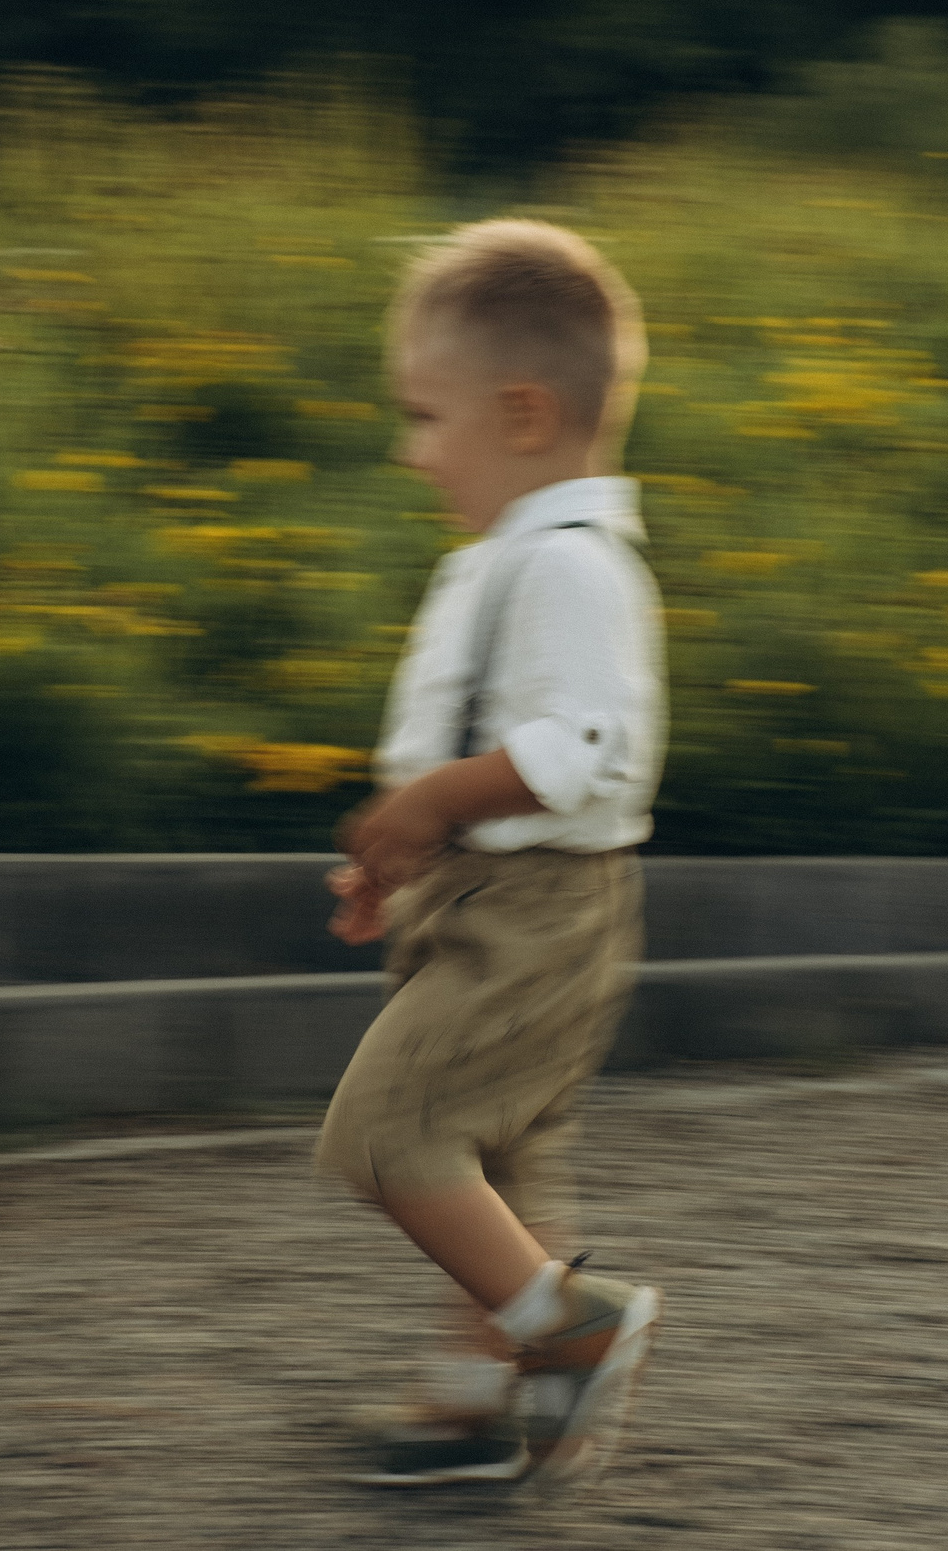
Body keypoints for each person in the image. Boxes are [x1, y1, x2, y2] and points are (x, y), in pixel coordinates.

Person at [318, 219, 667, 1488]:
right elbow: (464, 741)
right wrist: (401, 858)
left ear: (522, 414)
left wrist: (431, 807)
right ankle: (465, 1407)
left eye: (423, 416)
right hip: (491, 898)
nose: (409, 450)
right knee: (503, 1178)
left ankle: (570, 1331)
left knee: (386, 1137)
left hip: (540, 909)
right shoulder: (501, 560)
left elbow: (578, 747)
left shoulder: (569, 567)